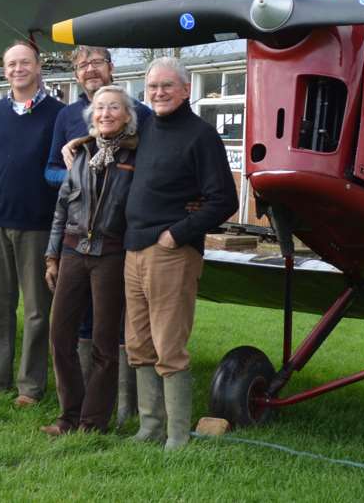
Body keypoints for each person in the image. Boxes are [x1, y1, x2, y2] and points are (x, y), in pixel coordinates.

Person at [124, 57, 238, 450]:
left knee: (168, 345)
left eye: (167, 86)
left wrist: (178, 234)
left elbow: (224, 199)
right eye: (152, 86)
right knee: (138, 343)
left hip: (170, 252)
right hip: (134, 248)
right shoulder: (146, 128)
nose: (158, 93)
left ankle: (176, 435)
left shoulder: (201, 136)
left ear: (186, 90)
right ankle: (149, 426)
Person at [44, 46, 152, 426]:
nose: (105, 113)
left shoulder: (139, 158)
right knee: (61, 338)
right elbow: (61, 209)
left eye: (113, 108)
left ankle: (93, 420)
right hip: (73, 252)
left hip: (111, 256)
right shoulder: (82, 154)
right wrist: (52, 256)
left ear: (127, 116)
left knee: (106, 343)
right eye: (100, 109)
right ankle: (68, 413)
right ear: (92, 117)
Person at [0, 40, 64, 406]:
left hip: (37, 223)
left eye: (24, 62)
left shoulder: (57, 114)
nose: (17, 69)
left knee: (36, 311)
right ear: (4, 69)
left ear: (38, 66)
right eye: (11, 63)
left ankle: (30, 385)